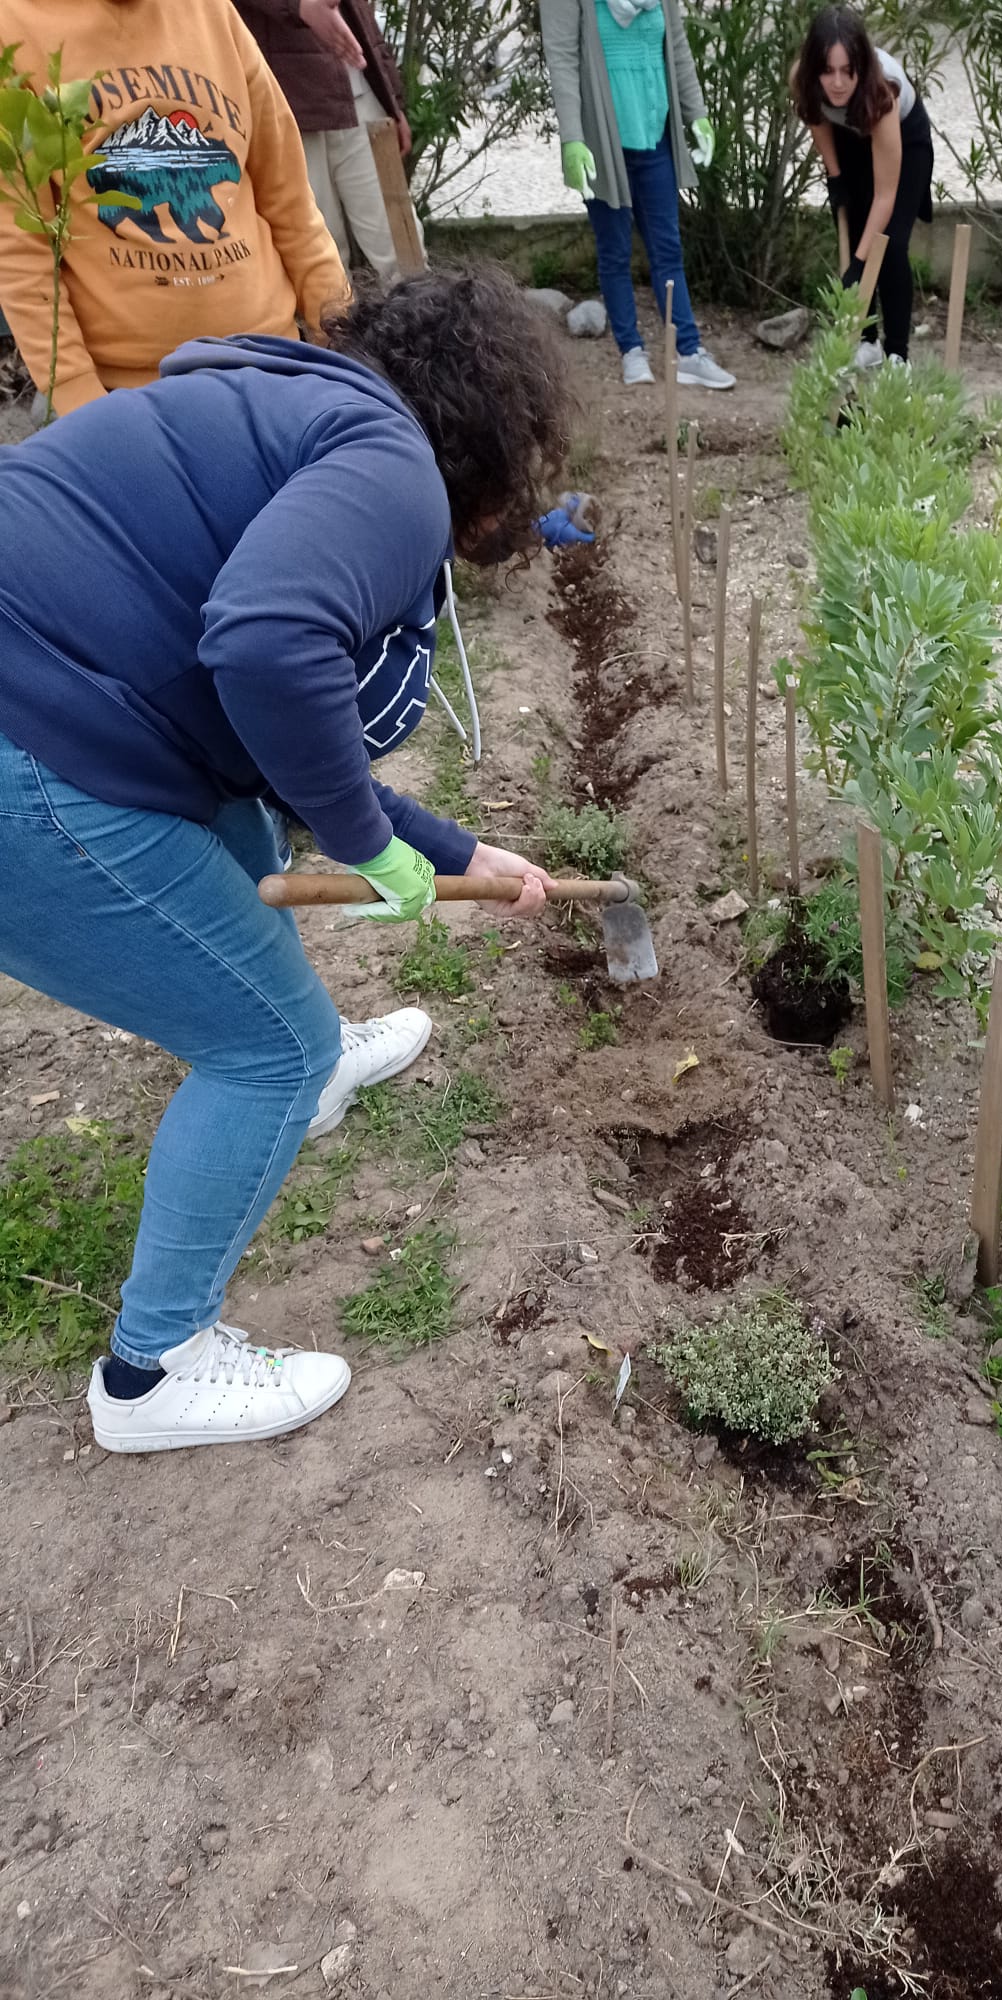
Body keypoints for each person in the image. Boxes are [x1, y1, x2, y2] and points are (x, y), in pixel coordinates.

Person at [0, 267, 566, 1452]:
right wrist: (367, 845)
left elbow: (263, 743)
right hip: (31, 747)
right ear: (491, 441)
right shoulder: (393, 467)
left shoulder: (286, 401)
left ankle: (314, 1066)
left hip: (61, 704)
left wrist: (461, 852)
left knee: (241, 825)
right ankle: (153, 1375)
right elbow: (266, 646)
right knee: (264, 1045)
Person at [0, 0, 349, 416]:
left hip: (271, 360)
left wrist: (345, 346)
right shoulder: (12, 28)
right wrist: (82, 403)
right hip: (128, 391)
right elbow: (21, 249)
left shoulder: (215, 11)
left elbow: (292, 206)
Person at [538, 0, 735, 389]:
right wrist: (573, 140)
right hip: (603, 142)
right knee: (615, 251)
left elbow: (677, 47)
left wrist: (697, 114)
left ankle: (688, 352)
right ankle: (631, 352)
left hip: (655, 133)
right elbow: (562, 60)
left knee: (668, 248)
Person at [232, 0, 424, 287]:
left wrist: (391, 98)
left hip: (364, 98)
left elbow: (360, 13)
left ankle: (425, 328)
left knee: (404, 247)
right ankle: (336, 333)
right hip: (291, 106)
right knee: (322, 260)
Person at [791, 6, 934, 371]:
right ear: (814, 68)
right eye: (828, 71)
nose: (837, 82)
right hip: (850, 136)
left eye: (846, 71)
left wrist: (857, 265)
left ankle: (897, 352)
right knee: (856, 225)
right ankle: (865, 342)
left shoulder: (882, 91)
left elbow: (886, 196)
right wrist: (835, 175)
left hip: (904, 140)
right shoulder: (802, 78)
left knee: (889, 242)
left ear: (861, 67)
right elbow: (816, 117)